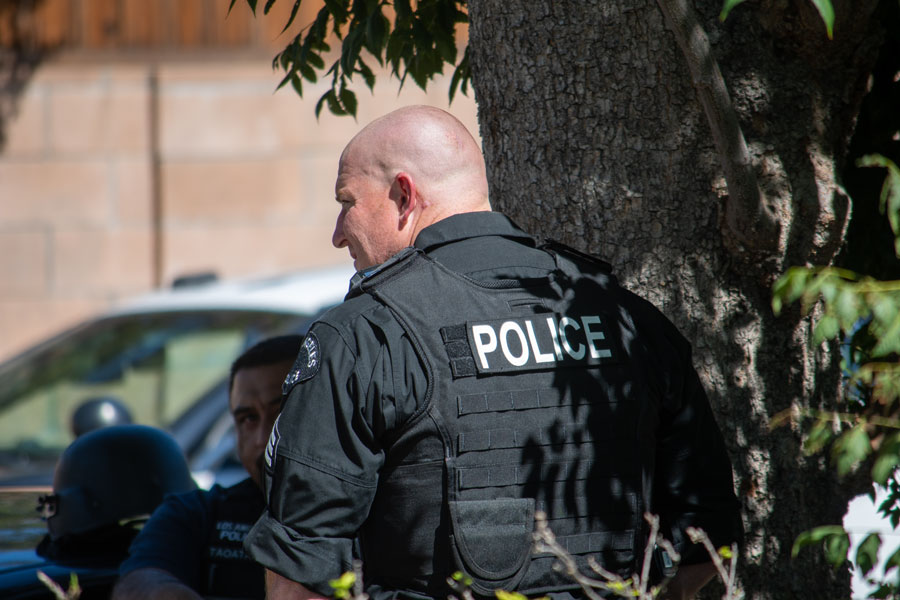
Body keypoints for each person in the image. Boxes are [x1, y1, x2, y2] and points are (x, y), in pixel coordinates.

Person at [244, 106, 743, 600]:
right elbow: (708, 542)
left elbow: (298, 577)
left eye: (347, 202)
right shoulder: (628, 317)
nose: (337, 233)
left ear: (403, 195)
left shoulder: (363, 336)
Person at [113, 334, 303, 600]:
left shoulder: (377, 518)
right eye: (248, 418)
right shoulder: (196, 515)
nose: (263, 438)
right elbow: (138, 583)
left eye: (281, 411)